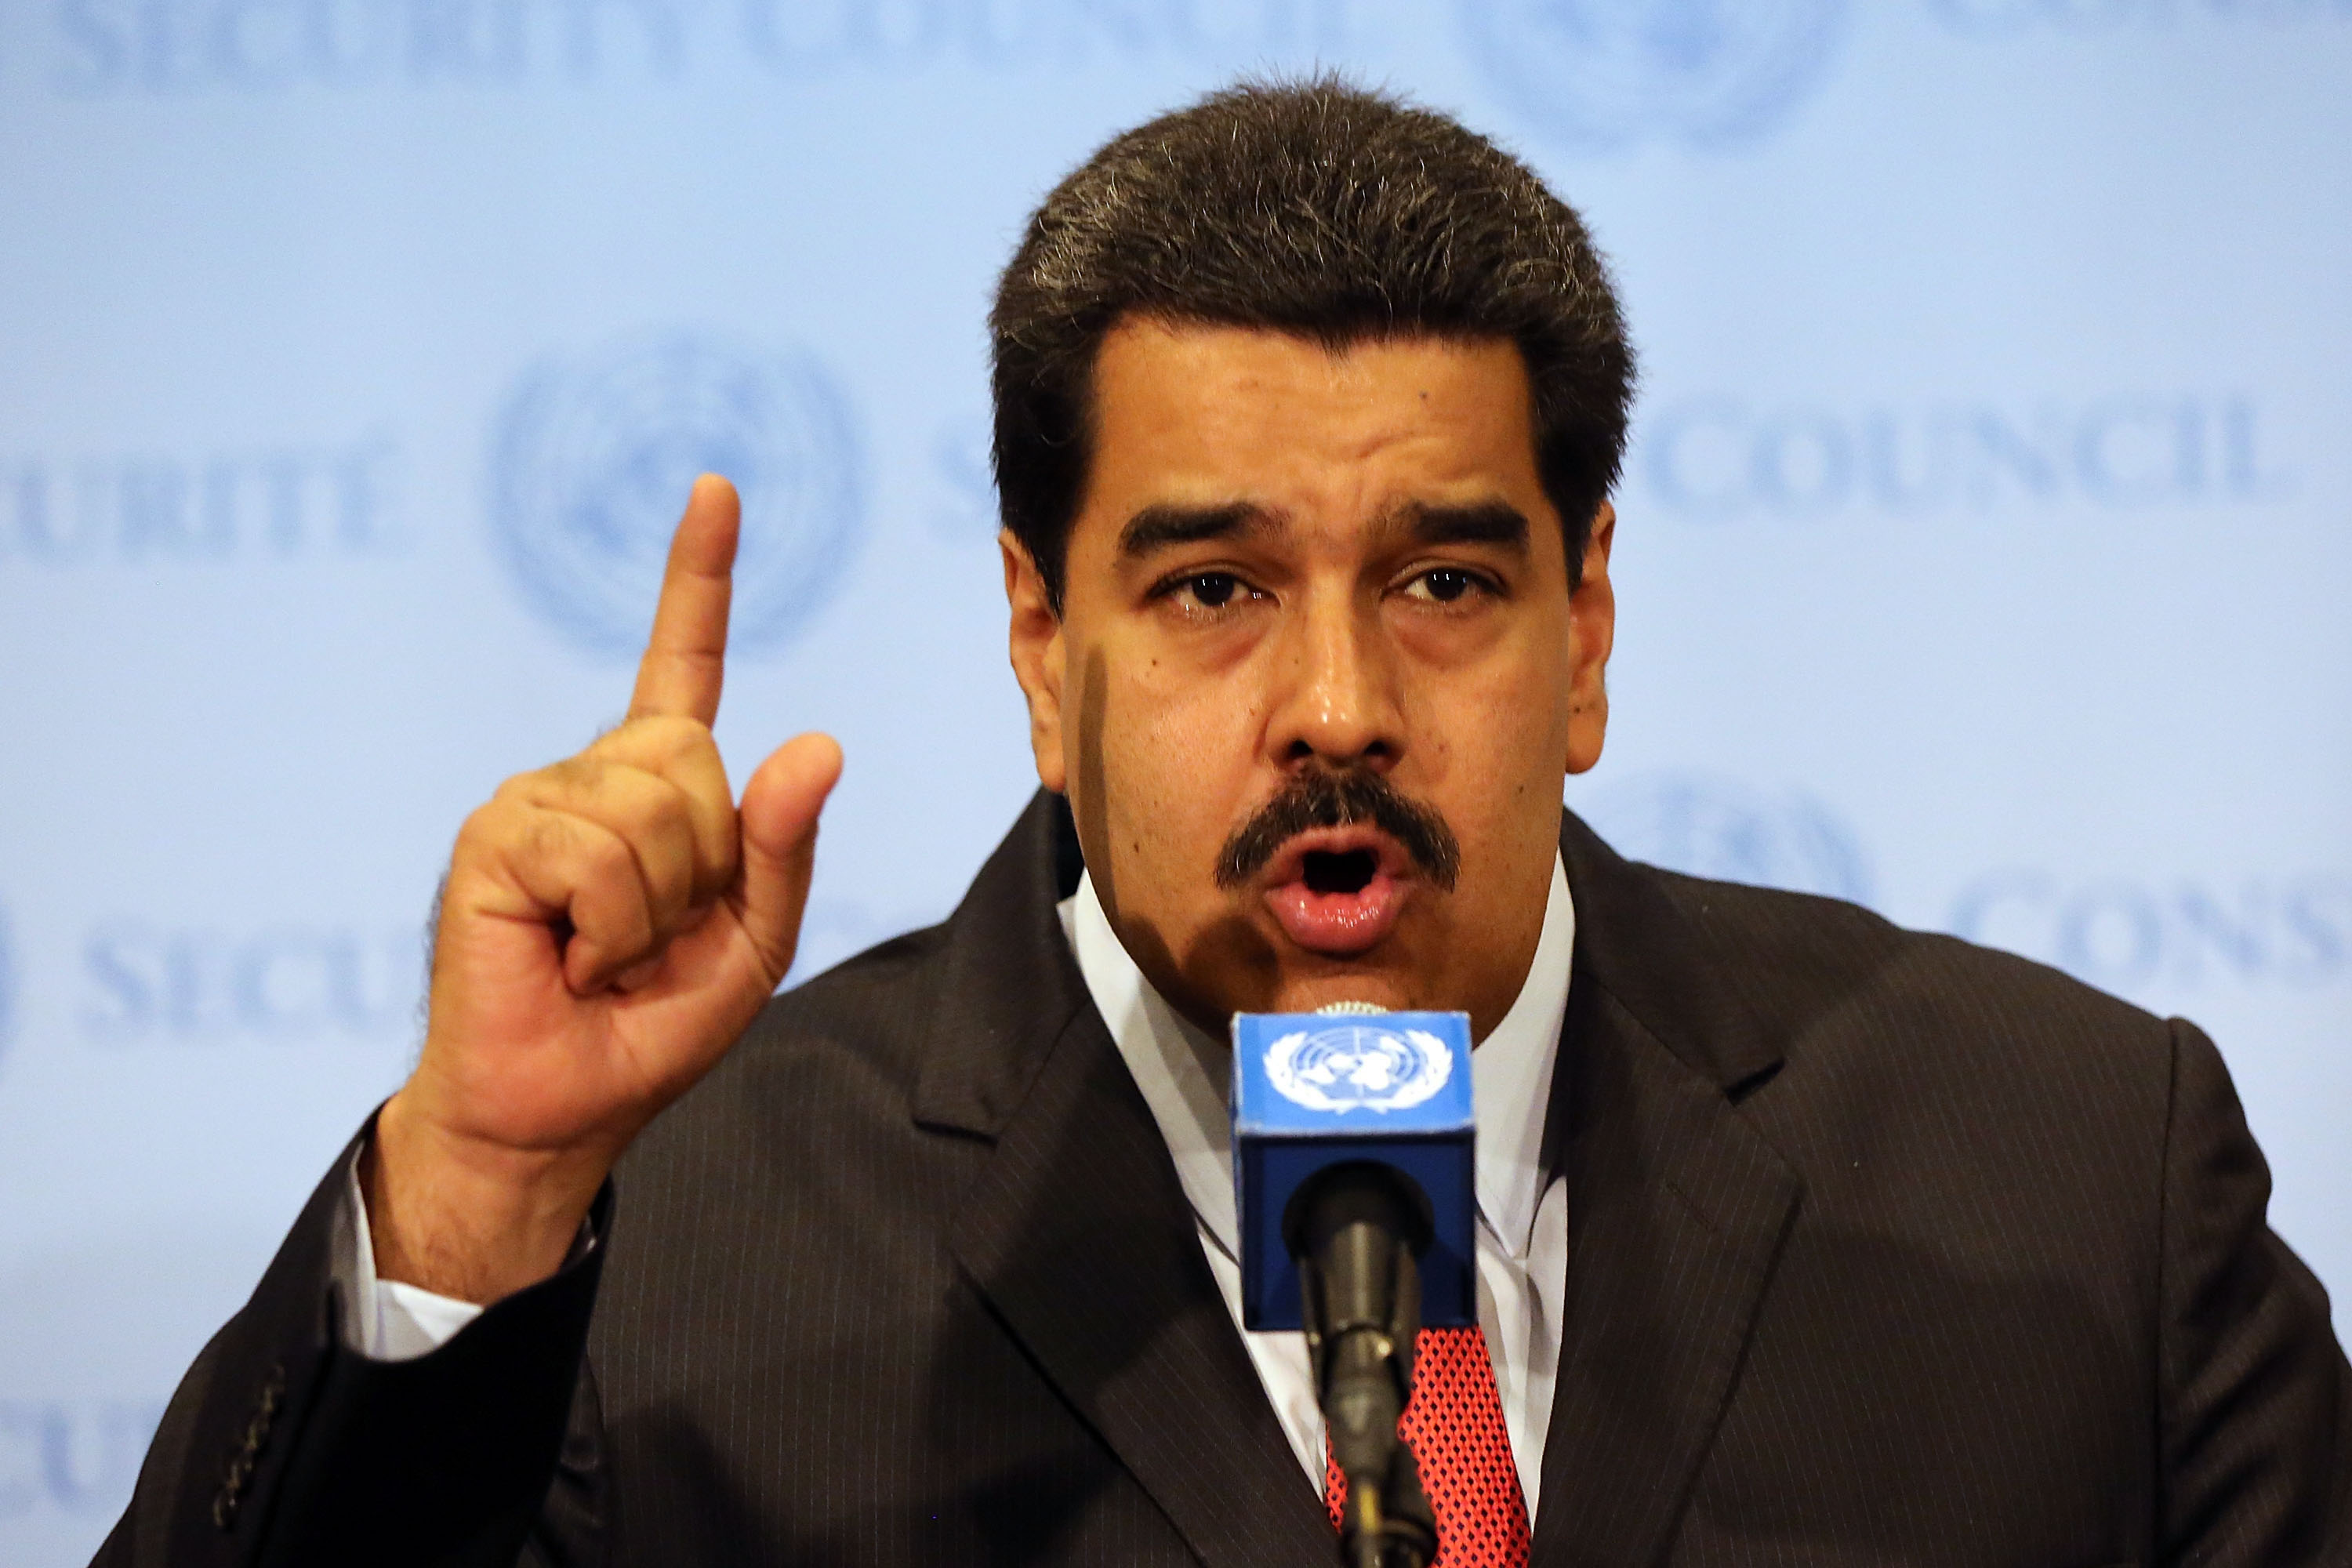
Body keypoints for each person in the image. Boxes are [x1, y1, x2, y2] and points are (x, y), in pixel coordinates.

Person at [95, 79, 2347, 1568]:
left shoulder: (2066, 1175)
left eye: (1448, 582)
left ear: (1587, 635)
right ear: (1031, 640)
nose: (1339, 708)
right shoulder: (669, 1246)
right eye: (1213, 591)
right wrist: (482, 1193)